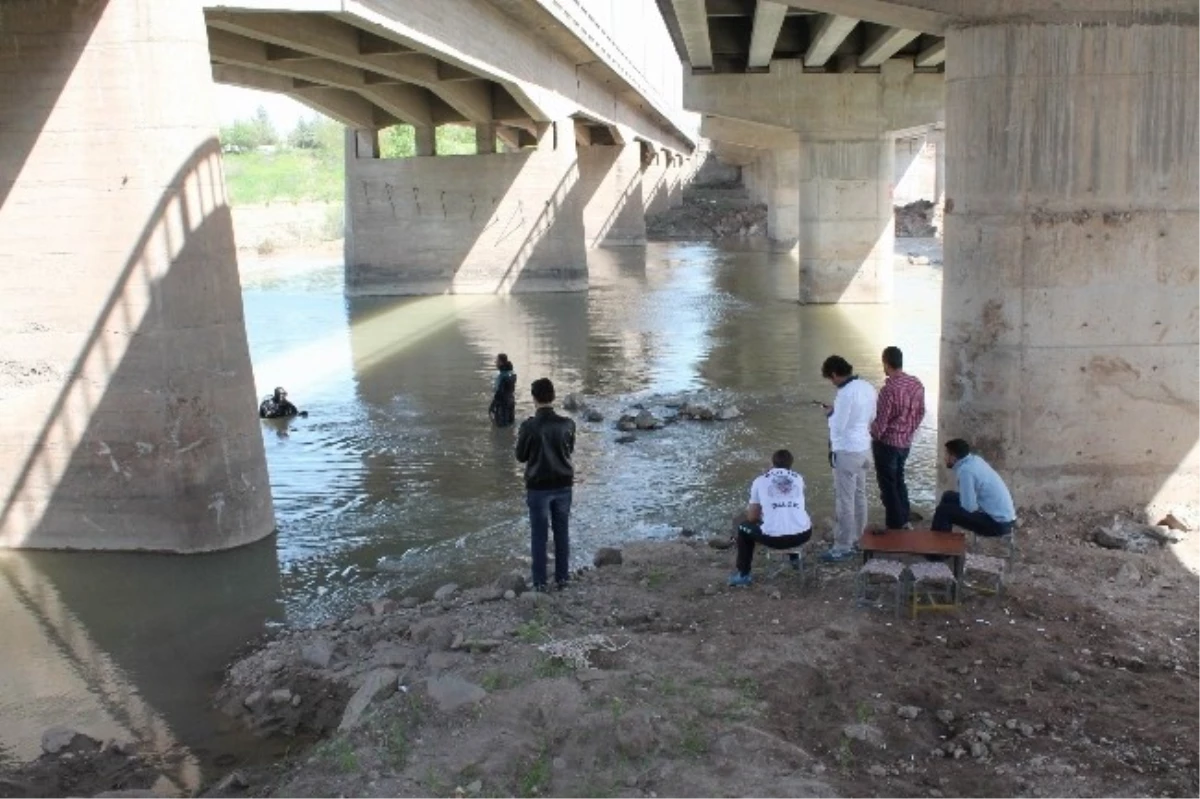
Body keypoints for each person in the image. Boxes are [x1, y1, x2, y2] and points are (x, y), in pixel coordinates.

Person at [515, 378, 576, 591]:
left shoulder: (529, 426)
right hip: (563, 484)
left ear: (534, 398)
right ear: (553, 397)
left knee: (539, 536)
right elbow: (569, 450)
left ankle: (540, 582)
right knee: (562, 533)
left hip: (538, 487)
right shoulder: (568, 424)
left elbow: (520, 456)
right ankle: (562, 578)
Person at [818, 355, 877, 563]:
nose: (831, 383)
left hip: (846, 452)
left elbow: (839, 426)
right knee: (860, 495)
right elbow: (871, 417)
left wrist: (829, 415)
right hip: (864, 449)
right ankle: (860, 538)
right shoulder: (868, 387)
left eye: (830, 379)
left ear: (834, 374)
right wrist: (838, 414)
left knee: (844, 500)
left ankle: (843, 546)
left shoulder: (844, 394)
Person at [728, 450, 813, 587]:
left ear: (773, 463)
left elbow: (752, 517)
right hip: (803, 535)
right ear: (791, 464)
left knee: (743, 528)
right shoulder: (798, 478)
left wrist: (762, 514)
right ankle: (795, 560)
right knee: (791, 514)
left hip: (775, 540)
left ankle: (743, 574)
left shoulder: (760, 480)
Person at [869, 346, 925, 530]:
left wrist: (871, 434)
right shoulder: (916, 384)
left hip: (887, 444)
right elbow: (920, 412)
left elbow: (881, 422)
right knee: (899, 478)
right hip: (905, 443)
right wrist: (909, 431)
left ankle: (895, 525)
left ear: (885, 363)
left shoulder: (888, 390)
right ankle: (904, 516)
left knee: (888, 486)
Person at [932, 439, 1016, 537]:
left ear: (953, 457)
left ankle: (938, 548)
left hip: (997, 524)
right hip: (1003, 517)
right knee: (948, 496)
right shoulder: (975, 460)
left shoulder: (966, 472)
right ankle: (941, 538)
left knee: (943, 511)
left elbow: (969, 507)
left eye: (946, 455)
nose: (944, 458)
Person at [488, 354, 517, 428]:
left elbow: (499, 393)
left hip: (502, 405)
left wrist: (492, 406)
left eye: (496, 361)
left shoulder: (502, 376)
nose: (495, 363)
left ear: (501, 362)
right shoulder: (512, 373)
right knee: (510, 425)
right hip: (511, 402)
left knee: (501, 428)